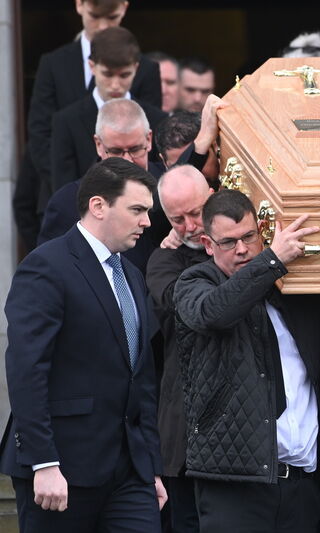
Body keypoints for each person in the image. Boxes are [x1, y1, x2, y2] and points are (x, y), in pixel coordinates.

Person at [0, 157, 166, 532]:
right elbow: (27, 369)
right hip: (62, 471)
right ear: (98, 206)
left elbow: (142, 379)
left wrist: (151, 467)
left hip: (130, 474)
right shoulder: (47, 266)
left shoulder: (133, 276)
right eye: (137, 209)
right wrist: (44, 463)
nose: (147, 222)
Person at [173, 190, 320, 532]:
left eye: (249, 237)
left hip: (301, 483)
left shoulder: (290, 286)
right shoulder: (194, 283)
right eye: (229, 242)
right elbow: (215, 313)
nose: (243, 249)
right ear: (208, 244)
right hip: (234, 484)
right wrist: (273, 259)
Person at [27, 0, 161, 199]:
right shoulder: (53, 64)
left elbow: (150, 136)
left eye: (124, 75)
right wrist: (72, 188)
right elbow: (40, 134)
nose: (103, 26)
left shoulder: (147, 70)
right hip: (68, 191)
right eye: (95, 16)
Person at [146, 165, 214, 533]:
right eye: (177, 218)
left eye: (197, 212)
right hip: (184, 430)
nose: (189, 226)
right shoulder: (163, 259)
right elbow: (192, 308)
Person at [39, 99, 164, 272]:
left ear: (149, 139)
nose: (127, 160)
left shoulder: (170, 186)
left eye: (135, 149)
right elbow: (51, 270)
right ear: (99, 145)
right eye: (116, 151)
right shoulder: (67, 202)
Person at [49, 26, 167, 192]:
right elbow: (64, 188)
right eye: (107, 74)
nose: (115, 85)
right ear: (92, 67)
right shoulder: (67, 121)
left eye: (124, 75)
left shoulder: (157, 119)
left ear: (136, 68)